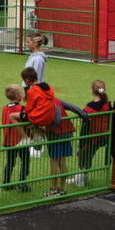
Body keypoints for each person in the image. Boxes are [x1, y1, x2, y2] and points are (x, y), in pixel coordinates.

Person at [20, 67, 87, 197]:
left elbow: (34, 112)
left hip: (56, 131)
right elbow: (71, 106)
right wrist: (83, 114)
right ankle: (62, 188)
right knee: (62, 161)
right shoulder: (52, 96)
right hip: (67, 129)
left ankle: (53, 189)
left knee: (54, 162)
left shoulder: (40, 98)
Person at [66, 80, 112, 188]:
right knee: (88, 155)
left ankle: (81, 179)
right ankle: (83, 177)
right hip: (103, 136)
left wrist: (83, 140)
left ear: (92, 90)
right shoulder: (107, 105)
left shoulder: (89, 107)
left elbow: (85, 124)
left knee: (83, 154)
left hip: (91, 137)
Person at [0, 84, 29, 191]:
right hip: (20, 140)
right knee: (25, 161)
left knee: (10, 162)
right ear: (17, 95)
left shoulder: (4, 108)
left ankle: (6, 183)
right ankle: (22, 182)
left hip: (8, 140)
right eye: (20, 92)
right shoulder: (21, 108)